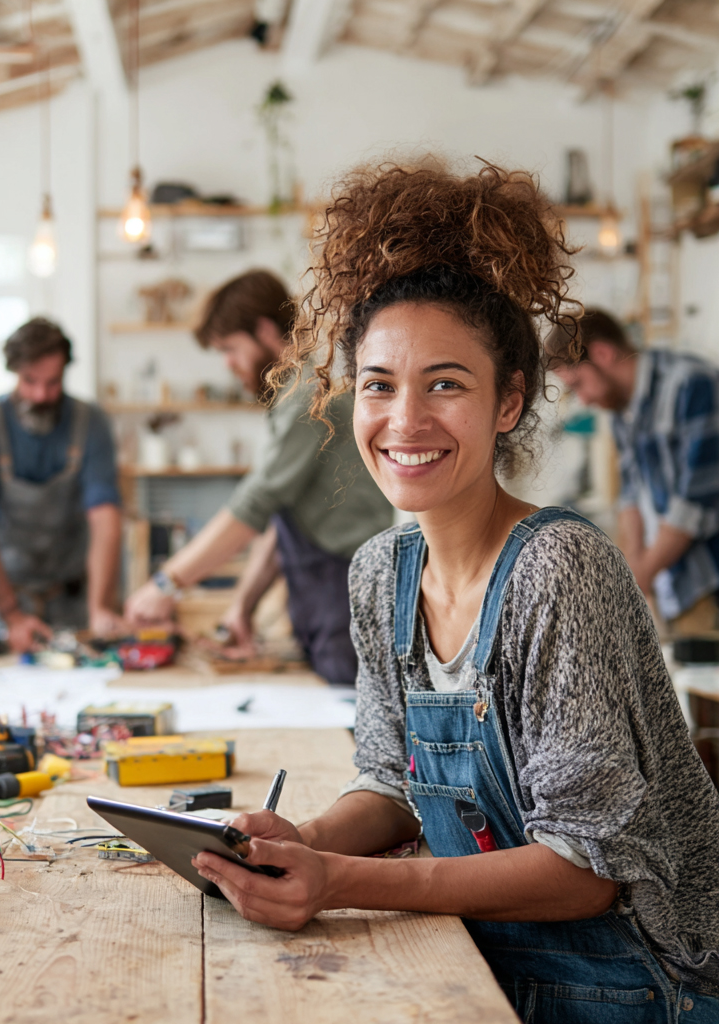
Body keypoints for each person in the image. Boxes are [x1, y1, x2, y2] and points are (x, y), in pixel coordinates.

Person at [190, 163, 719, 1020]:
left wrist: (341, 883)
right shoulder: (379, 574)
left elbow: (585, 876)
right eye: (378, 384)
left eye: (446, 383)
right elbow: (392, 784)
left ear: (509, 401)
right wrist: (309, 840)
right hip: (491, 961)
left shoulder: (559, 570)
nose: (405, 422)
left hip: (650, 985)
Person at [125, 269, 393, 685]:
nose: (228, 365)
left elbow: (255, 504)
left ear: (266, 332)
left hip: (345, 590)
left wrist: (166, 582)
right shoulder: (292, 397)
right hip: (320, 592)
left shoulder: (307, 399)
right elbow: (280, 522)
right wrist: (242, 607)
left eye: (230, 348)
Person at [0, 317, 124, 651]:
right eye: (30, 381)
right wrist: (12, 616)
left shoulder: (90, 424)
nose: (41, 394)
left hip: (75, 598)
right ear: (14, 371)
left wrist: (99, 608)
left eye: (52, 382)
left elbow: (106, 519)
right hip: (5, 599)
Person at [549, 310, 719, 634]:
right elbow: (630, 495)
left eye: (578, 384)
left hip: (709, 576)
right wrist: (633, 572)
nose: (583, 400)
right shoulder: (620, 408)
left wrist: (639, 575)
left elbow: (694, 502)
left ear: (602, 353)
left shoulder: (691, 384)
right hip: (672, 579)